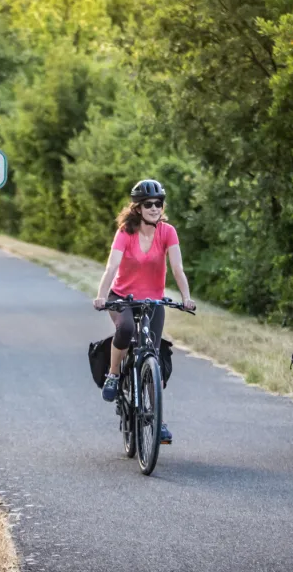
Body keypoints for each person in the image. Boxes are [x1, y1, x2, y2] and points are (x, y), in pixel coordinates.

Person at [93, 179, 196, 444]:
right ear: (138, 208)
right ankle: (114, 375)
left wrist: (186, 297)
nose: (154, 208)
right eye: (149, 204)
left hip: (153, 300)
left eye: (158, 203)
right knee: (126, 329)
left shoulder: (168, 232)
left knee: (154, 352)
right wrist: (102, 296)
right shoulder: (125, 232)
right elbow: (112, 267)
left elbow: (177, 269)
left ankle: (157, 419)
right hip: (122, 297)